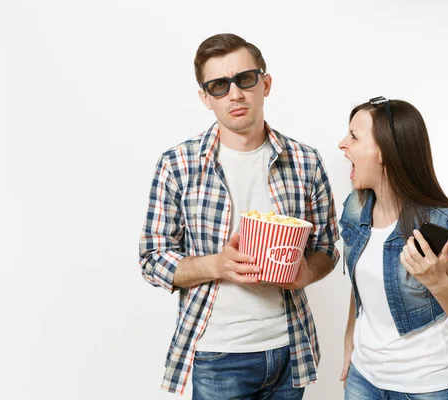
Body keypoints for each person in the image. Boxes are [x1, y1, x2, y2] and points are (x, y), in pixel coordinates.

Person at [138, 33, 339, 399]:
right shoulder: (178, 165)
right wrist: (218, 265)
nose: (235, 94)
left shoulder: (305, 161)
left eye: (244, 79)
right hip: (218, 354)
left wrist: (307, 271)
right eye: (219, 85)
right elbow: (153, 259)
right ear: (205, 98)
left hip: (290, 349)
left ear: (265, 83)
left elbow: (327, 247)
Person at [337, 97, 448, 399]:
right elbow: (361, 283)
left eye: (354, 136)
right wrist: (349, 339)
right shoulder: (356, 207)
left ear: (385, 153)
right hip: (363, 379)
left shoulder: (442, 224)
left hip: (426, 387)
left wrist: (438, 281)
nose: (342, 144)